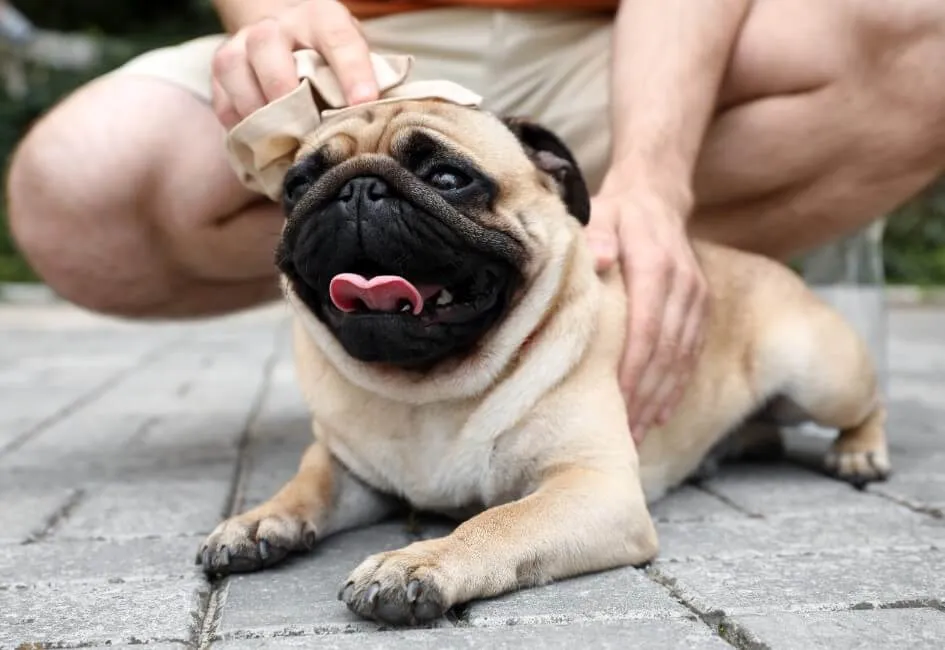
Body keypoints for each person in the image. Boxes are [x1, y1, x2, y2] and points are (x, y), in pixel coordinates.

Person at [6, 0, 945, 440]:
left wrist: (656, 174)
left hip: (627, 39)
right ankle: (392, 299)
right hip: (364, 50)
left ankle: (682, 300)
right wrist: (280, 37)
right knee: (75, 180)